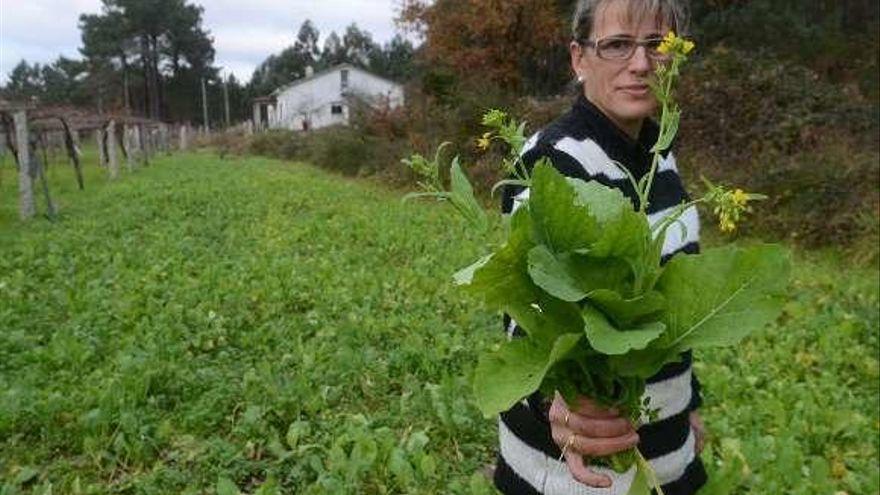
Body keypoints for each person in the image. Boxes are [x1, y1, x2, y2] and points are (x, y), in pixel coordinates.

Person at [496, 0, 707, 493]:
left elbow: (679, 311)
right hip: (576, 470)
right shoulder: (552, 161)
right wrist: (560, 407)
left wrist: (689, 408)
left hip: (664, 457)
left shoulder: (659, 156)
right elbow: (526, 312)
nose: (640, 64)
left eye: (658, 45)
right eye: (616, 45)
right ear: (578, 58)